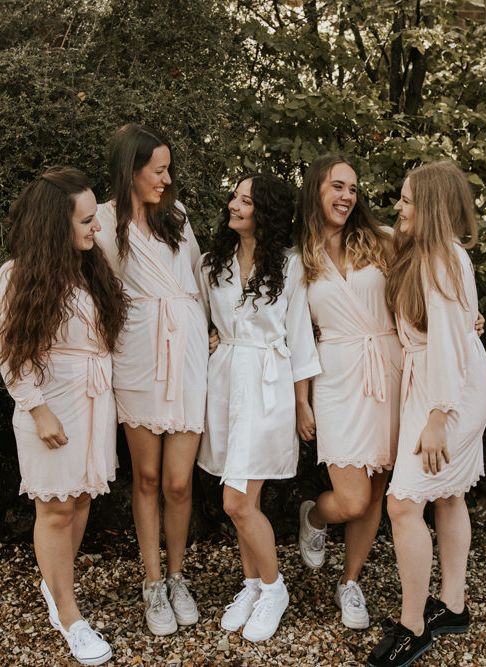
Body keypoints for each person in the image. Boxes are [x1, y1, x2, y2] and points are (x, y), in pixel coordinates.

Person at [367, 161, 486, 667]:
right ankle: (454, 606)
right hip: (446, 379)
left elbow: (445, 341)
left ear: (433, 207)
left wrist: (439, 415)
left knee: (403, 504)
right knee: (449, 493)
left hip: (449, 390)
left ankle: (413, 625)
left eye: (407, 200)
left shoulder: (441, 259)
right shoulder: (431, 252)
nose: (398, 207)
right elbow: (458, 326)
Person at [0, 167, 128, 665]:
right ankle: (70, 617)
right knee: (54, 508)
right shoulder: (15, 276)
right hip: (50, 405)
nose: (96, 230)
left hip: (95, 402)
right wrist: (38, 409)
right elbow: (11, 353)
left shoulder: (91, 268)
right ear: (55, 225)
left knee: (79, 501)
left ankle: (57, 585)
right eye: (86, 221)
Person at [196, 173, 320, 641]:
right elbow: (198, 317)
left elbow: (301, 337)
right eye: (233, 196)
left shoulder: (290, 267)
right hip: (225, 380)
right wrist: (209, 337)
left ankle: (274, 588)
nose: (233, 205)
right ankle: (251, 585)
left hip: (268, 384)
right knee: (242, 500)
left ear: (264, 211)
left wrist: (303, 402)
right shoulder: (214, 262)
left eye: (245, 200)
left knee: (237, 500)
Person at [95, 124, 208, 636]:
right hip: (138, 352)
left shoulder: (177, 218)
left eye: (168, 168)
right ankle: (152, 581)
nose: (166, 178)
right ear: (131, 170)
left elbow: (204, 281)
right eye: (157, 169)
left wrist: (214, 332)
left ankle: (179, 575)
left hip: (186, 355)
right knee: (145, 477)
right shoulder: (101, 221)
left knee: (179, 481)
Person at [295, 154, 402, 630]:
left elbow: (432, 279)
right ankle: (316, 516)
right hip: (336, 377)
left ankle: (350, 582)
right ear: (316, 189)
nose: (346, 197)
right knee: (352, 497)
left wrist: (465, 318)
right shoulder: (296, 255)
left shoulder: (382, 241)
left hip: (390, 367)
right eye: (337, 186)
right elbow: (293, 331)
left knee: (376, 488)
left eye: (353, 189)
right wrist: (301, 399)